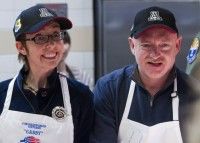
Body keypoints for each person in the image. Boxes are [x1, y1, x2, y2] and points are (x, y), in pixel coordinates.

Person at [90, 6, 200, 143]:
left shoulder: (194, 93)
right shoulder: (110, 89)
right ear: (132, 45)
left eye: (164, 45)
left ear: (177, 45)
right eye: (146, 45)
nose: (155, 54)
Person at [0, 5, 94, 143]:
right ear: (21, 47)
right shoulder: (1, 95)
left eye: (56, 35)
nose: (52, 45)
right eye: (40, 38)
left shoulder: (81, 96)